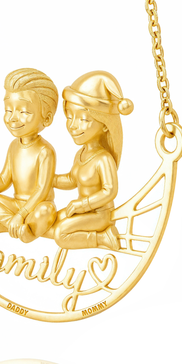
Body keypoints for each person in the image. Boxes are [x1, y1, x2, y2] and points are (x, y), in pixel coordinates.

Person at [0, 68, 58, 243]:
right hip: (15, 205)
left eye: (24, 112)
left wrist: (21, 214)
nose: (12, 118)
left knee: (46, 212)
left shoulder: (45, 151)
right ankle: (17, 227)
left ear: (47, 118)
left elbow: (41, 190)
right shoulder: (13, 146)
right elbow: (4, 179)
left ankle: (9, 226)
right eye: (8, 110)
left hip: (35, 207)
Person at [53, 71, 134, 251]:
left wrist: (82, 205)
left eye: (83, 119)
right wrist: (50, 178)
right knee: (51, 220)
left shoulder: (103, 159)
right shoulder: (80, 154)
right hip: (82, 211)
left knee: (60, 234)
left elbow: (110, 191)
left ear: (105, 124)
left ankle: (103, 237)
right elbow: (72, 179)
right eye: (69, 117)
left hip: (99, 215)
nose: (73, 125)